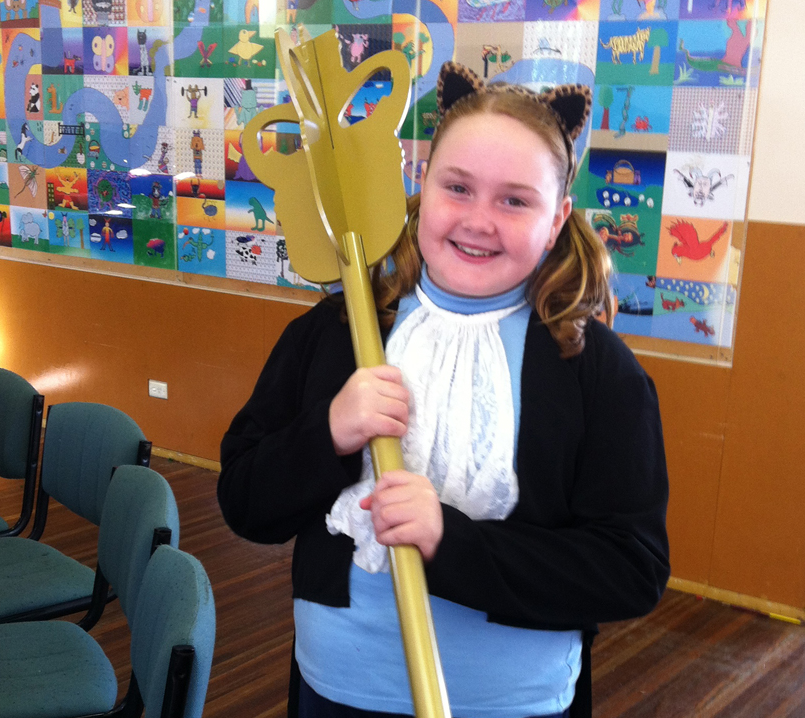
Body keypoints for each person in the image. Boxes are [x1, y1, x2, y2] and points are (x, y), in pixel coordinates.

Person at [217, 62, 669, 718]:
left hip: (513, 705)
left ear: (558, 216)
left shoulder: (598, 371)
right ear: (421, 185)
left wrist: (449, 541)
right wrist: (328, 435)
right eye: (458, 187)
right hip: (339, 692)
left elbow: (631, 569)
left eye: (515, 199)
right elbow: (243, 503)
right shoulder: (337, 330)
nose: (479, 221)